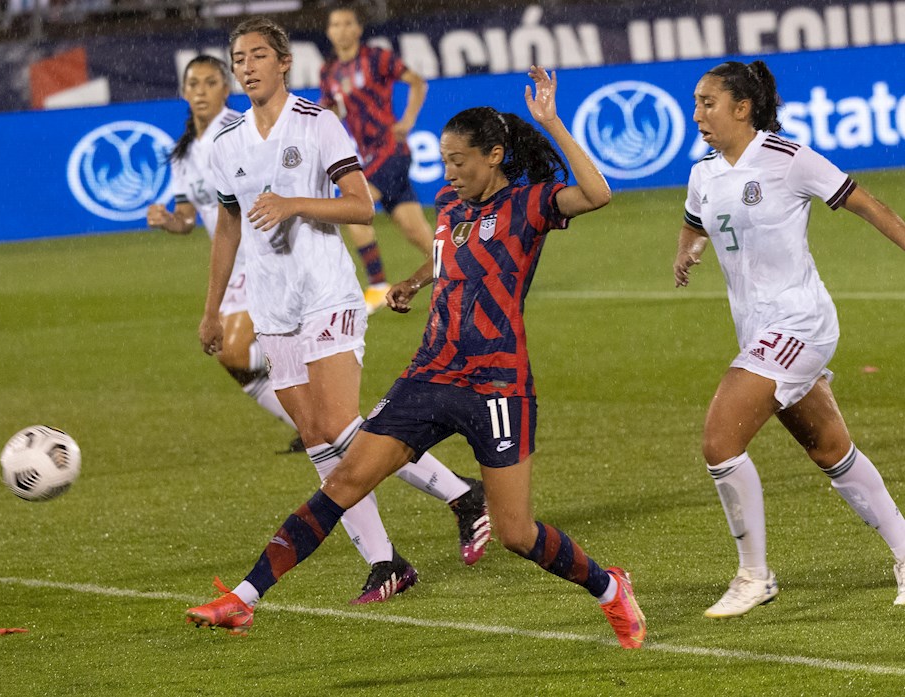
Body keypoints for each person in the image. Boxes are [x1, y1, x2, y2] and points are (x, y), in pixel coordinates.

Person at [186, 65, 648, 650]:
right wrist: (412, 281)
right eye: (445, 160)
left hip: (496, 385)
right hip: (429, 374)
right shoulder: (450, 209)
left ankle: (609, 588)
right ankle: (243, 599)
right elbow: (451, 259)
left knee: (515, 532)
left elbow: (598, 193)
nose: (449, 172)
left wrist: (552, 121)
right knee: (345, 477)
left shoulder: (530, 204)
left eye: (460, 161)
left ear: (495, 155)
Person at [194, 17, 491, 605]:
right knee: (316, 438)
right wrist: (211, 310)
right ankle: (386, 561)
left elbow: (359, 207)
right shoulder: (226, 142)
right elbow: (228, 224)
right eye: (238, 57)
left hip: (326, 290)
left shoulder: (318, 123)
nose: (246, 66)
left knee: (339, 425)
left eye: (257, 55)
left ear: (284, 64)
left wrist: (293, 205)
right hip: (273, 305)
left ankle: (461, 493)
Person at [675, 59, 905, 618]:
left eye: (709, 102)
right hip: (758, 330)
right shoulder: (705, 171)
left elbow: (866, 203)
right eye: (697, 103)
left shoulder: (787, 158)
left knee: (719, 442)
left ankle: (754, 575)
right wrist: (689, 248)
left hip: (800, 323)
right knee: (831, 450)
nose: (698, 113)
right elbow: (696, 219)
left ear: (743, 107)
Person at [147, 55, 303, 455]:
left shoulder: (240, 130)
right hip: (235, 262)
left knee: (235, 350)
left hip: (266, 251)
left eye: (210, 82)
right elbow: (188, 217)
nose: (201, 91)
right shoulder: (183, 154)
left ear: (225, 88)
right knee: (231, 361)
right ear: (183, 91)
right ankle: (310, 424)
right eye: (193, 84)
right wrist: (169, 221)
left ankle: (314, 370)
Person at [320, 4, 434, 314]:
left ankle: (378, 285)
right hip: (366, 157)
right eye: (335, 25)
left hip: (390, 152)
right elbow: (330, 112)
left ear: (357, 29)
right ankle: (462, 268)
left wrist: (408, 120)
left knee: (355, 208)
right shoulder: (329, 72)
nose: (341, 30)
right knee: (416, 230)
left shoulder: (376, 58)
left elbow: (417, 82)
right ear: (329, 32)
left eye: (347, 24)